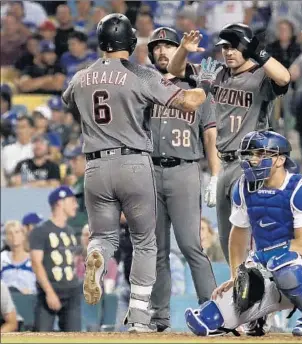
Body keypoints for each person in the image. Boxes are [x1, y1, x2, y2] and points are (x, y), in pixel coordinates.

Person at [61, 13, 220, 332]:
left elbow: (69, 103)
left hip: (94, 166)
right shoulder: (141, 75)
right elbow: (189, 102)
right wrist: (204, 83)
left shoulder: (80, 77)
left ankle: (96, 257)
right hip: (135, 164)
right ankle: (139, 316)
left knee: (103, 236)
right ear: (132, 44)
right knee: (147, 242)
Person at [184, 130, 302, 337]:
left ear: (280, 159)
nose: (253, 160)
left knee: (285, 265)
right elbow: (238, 237)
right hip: (265, 271)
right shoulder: (243, 186)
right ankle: (258, 317)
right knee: (207, 321)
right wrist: (237, 275)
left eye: (261, 154)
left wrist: (257, 262)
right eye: (250, 154)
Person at [167, 24, 291, 263]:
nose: (228, 52)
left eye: (234, 47)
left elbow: (284, 77)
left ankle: (262, 285)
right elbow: (175, 69)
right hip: (223, 164)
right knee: (227, 241)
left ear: (247, 47)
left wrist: (257, 51)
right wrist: (183, 49)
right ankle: (239, 286)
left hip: (252, 163)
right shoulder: (216, 72)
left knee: (250, 232)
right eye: (224, 47)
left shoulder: (261, 75)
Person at [146, 27, 219, 332]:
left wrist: (215, 175)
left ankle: (213, 312)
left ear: (179, 50)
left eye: (168, 46)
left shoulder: (198, 87)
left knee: (191, 245)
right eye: (157, 47)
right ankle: (159, 317)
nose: (162, 52)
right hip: (148, 170)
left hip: (185, 169)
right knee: (156, 249)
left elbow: (210, 134)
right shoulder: (144, 84)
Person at [29, 186, 81, 332]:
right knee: (41, 336)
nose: (76, 205)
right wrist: (49, 292)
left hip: (72, 292)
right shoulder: (40, 231)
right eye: (72, 201)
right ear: (60, 202)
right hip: (49, 292)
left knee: (75, 338)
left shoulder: (70, 231)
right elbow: (36, 263)